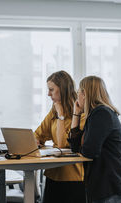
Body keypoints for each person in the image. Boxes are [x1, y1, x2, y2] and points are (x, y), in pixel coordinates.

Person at [68, 76, 121, 203]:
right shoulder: (95, 115)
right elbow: (75, 147)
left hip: (114, 189)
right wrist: (76, 114)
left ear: (85, 94)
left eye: (78, 93)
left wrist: (82, 147)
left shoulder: (102, 114)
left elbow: (89, 151)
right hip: (106, 186)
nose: (77, 98)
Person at [35, 70, 87, 203]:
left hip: (72, 178)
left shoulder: (81, 114)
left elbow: (63, 143)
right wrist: (36, 141)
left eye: (51, 90)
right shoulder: (54, 111)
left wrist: (61, 116)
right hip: (53, 174)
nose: (48, 94)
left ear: (62, 89)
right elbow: (38, 134)